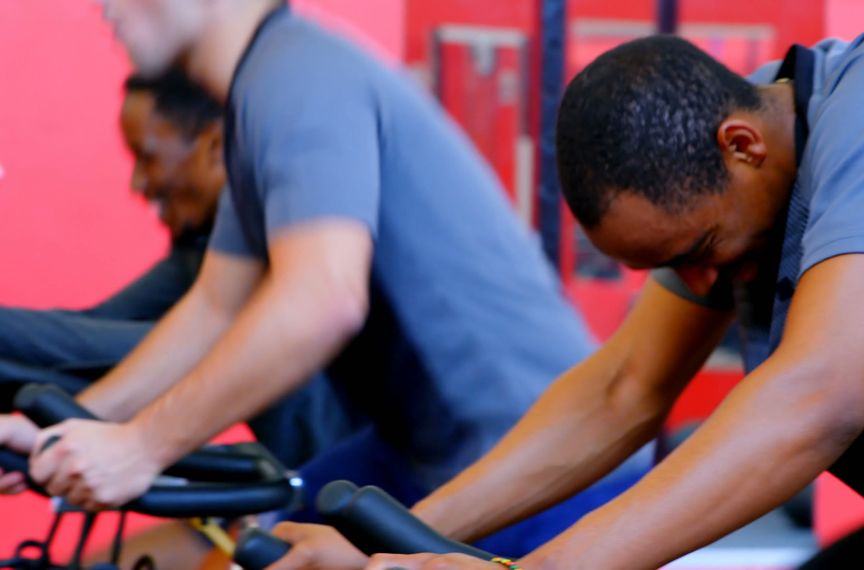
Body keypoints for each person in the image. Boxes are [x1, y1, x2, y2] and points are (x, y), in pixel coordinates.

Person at [270, 28, 864, 570]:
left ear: (742, 147)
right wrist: (403, 544)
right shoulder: (731, 158)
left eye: (697, 255)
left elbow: (819, 395)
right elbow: (624, 388)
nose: (701, 289)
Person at [0, 0, 647, 562]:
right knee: (259, 546)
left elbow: (321, 301)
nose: (104, 6)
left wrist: (138, 449)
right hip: (416, 453)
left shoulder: (298, 78)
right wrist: (82, 428)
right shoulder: (263, 92)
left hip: (540, 465)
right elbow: (213, 310)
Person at [0, 70, 349, 471]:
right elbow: (89, 339)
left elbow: (195, 349)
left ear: (216, 147)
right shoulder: (202, 244)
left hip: (355, 486)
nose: (137, 182)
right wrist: (27, 431)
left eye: (148, 157)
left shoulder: (290, 226)